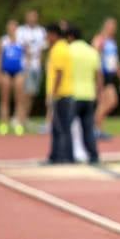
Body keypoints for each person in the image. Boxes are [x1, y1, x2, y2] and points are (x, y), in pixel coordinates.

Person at [67, 26, 102, 164]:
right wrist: (99, 93)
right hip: (89, 94)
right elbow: (98, 75)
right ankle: (93, 155)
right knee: (88, 128)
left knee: (67, 127)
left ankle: (69, 155)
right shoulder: (91, 51)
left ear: (70, 37)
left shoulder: (68, 50)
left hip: (72, 94)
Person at [93, 17, 120, 140]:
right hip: (102, 75)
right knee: (105, 102)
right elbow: (95, 57)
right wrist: (97, 77)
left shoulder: (112, 41)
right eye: (110, 26)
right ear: (105, 26)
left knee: (109, 102)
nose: (113, 29)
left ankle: (97, 128)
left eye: (114, 27)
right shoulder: (100, 39)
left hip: (110, 75)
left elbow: (115, 62)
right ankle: (96, 129)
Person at [44, 23, 75, 163]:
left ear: (54, 34)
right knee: (61, 127)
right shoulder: (64, 47)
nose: (46, 38)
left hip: (61, 94)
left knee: (60, 127)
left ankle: (61, 157)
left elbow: (59, 74)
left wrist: (53, 94)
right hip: (65, 93)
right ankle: (59, 156)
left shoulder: (58, 50)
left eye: (48, 35)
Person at [16, 9, 48, 132]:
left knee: (31, 93)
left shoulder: (41, 31)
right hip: (24, 66)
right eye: (30, 16)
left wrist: (41, 61)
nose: (32, 19)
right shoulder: (21, 31)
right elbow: (19, 46)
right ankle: (19, 118)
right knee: (23, 93)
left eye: (34, 16)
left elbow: (44, 48)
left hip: (36, 66)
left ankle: (25, 118)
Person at [0, 20, 25, 136]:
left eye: (14, 27)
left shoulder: (21, 41)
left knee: (19, 99)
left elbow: (26, 57)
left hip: (19, 72)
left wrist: (25, 72)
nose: (12, 29)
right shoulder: (3, 41)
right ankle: (4, 123)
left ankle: (18, 123)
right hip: (6, 72)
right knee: (5, 98)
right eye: (10, 27)